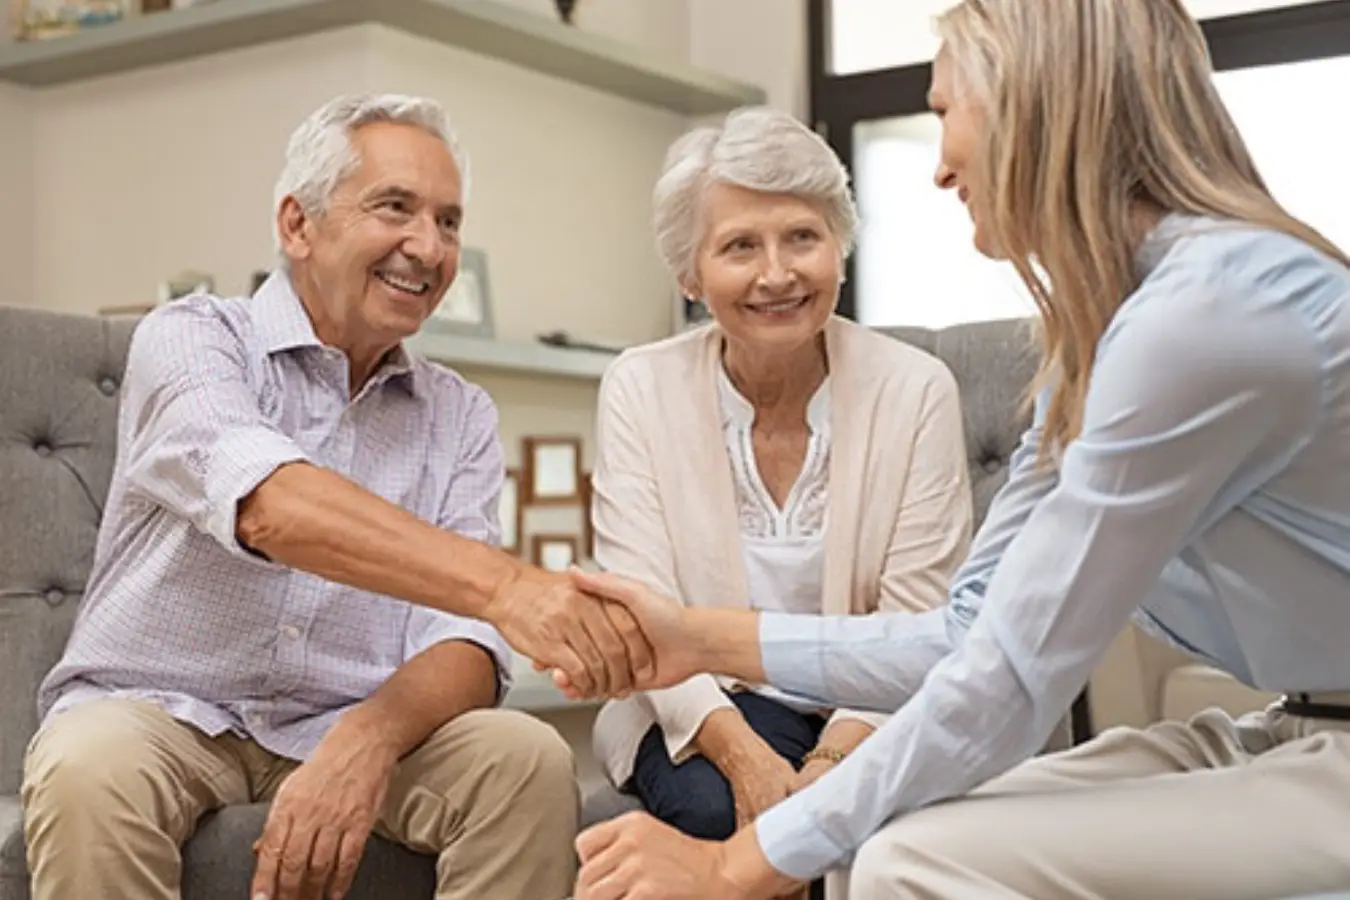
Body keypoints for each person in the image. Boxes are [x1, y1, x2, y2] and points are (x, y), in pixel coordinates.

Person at [560, 1, 1350, 898]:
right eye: (740, 245)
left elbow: (1011, 676)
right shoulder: (1103, 343)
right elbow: (965, 634)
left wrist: (734, 865)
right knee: (910, 824)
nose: (938, 167)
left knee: (906, 855)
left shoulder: (1208, 317)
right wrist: (695, 637)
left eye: (943, 111)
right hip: (1290, 728)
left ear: (1030, 104)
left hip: (1333, 757)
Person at [20, 93, 651, 900]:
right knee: (86, 768)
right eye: (395, 208)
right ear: (297, 225)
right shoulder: (192, 338)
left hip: (352, 716)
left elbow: (464, 641)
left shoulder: (459, 413)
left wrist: (370, 736)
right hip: (156, 711)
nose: (427, 247)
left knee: (523, 758)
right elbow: (268, 504)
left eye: (449, 222)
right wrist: (512, 587)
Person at [586, 107, 972, 900]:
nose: (777, 274)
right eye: (739, 247)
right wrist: (751, 762)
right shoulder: (639, 385)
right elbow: (643, 611)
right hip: (706, 705)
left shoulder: (916, 390)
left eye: (802, 236)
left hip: (875, 708)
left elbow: (918, 618)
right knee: (713, 811)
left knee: (864, 828)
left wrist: (826, 770)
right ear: (689, 274)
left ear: (839, 244)